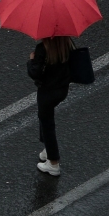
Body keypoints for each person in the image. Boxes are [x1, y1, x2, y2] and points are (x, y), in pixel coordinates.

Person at [27, 36, 73, 176]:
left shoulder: (42, 49)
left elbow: (34, 73)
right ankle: (48, 148)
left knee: (47, 124)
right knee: (44, 117)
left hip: (47, 92)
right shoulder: (66, 43)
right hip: (62, 90)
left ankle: (53, 163)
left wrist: (31, 60)